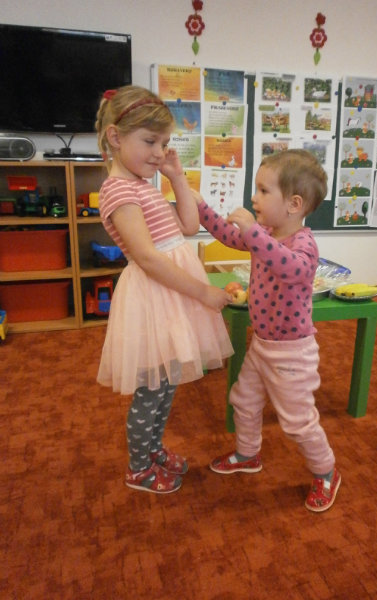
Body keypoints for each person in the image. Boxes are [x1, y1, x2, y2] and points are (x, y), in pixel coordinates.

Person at [95, 85, 233, 494]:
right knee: (151, 389)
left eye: (165, 143)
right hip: (155, 296)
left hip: (171, 295)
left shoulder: (143, 183)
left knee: (167, 383)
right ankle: (138, 468)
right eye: (150, 141)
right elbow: (148, 257)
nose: (159, 152)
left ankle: (153, 450)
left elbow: (188, 226)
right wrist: (202, 293)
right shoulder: (118, 189)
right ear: (116, 137)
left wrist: (176, 177)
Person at [194, 149, 341, 512]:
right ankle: (248, 454)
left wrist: (253, 232)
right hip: (262, 346)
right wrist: (199, 205)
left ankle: (326, 472)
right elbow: (228, 235)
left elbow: (291, 268)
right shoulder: (266, 233)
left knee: (298, 423)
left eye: (263, 191)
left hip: (292, 354)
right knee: (243, 401)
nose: (254, 198)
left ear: (293, 204)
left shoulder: (303, 243)